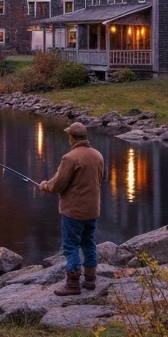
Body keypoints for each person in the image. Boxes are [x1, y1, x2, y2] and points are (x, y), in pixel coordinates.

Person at [39, 122, 106, 296]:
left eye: (69, 135)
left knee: (71, 246)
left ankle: (73, 284)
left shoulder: (70, 158)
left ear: (72, 137)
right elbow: (100, 180)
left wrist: (45, 186)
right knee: (89, 242)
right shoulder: (97, 155)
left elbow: (58, 185)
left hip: (73, 212)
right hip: (92, 210)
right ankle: (90, 279)